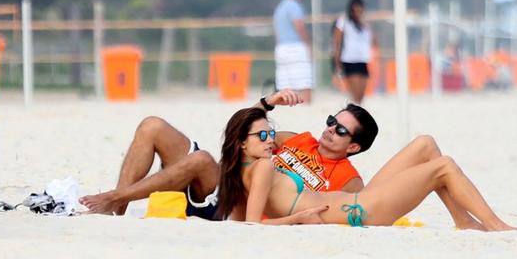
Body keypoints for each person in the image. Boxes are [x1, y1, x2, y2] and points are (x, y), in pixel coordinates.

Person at [216, 107, 517, 235]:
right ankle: (497, 226)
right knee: (443, 167)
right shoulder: (264, 165)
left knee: (426, 145)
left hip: (354, 199)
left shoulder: (264, 160)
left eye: (271, 133)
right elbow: (251, 225)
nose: (271, 138)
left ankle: (464, 221)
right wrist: (297, 219)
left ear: (353, 147)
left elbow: (248, 216)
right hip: (356, 208)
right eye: (262, 136)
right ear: (242, 144)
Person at [78, 90, 377, 218]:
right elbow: (246, 131)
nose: (330, 129)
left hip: (232, 201)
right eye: (331, 121)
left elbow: (357, 208)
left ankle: (116, 197)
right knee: (152, 126)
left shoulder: (349, 180)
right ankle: (116, 208)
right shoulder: (298, 140)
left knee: (202, 159)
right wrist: (267, 102)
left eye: (340, 130)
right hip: (219, 179)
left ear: (354, 147)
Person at [273, 0, 313, 104]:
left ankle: (289, 108)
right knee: (305, 80)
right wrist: (309, 44)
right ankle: (306, 106)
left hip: (281, 48)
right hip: (295, 47)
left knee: (285, 83)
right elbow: (299, 26)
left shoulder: (280, 7)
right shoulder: (294, 6)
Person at [332, 0, 377, 104]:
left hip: (363, 60)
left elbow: (372, 40)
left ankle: (357, 112)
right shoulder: (343, 21)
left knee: (361, 95)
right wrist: (337, 62)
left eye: (360, 9)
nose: (358, 12)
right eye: (355, 9)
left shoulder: (364, 24)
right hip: (349, 60)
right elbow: (337, 42)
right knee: (355, 94)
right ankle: (354, 115)